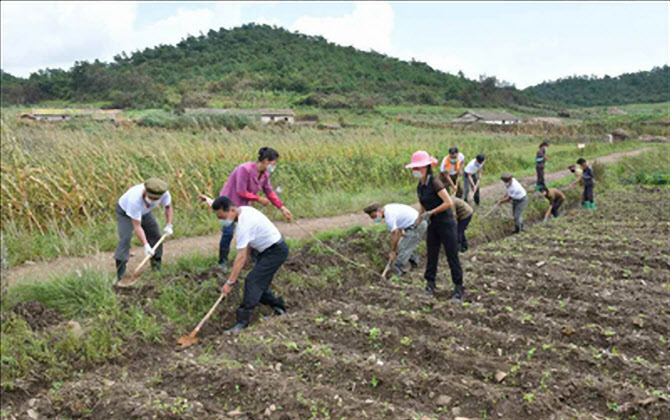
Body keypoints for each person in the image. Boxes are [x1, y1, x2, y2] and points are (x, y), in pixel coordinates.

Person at [199, 194, 288, 333]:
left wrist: (229, 283)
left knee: (252, 281)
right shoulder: (243, 210)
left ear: (231, 210)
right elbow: (246, 251)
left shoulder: (244, 225)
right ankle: (279, 307)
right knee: (260, 283)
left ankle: (242, 322)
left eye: (222, 217)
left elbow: (241, 256)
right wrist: (208, 200)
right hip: (264, 250)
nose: (221, 221)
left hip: (275, 252)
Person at [218, 147, 292, 271]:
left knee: (251, 231)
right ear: (266, 161)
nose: (274, 166)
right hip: (229, 203)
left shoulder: (265, 174)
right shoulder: (244, 169)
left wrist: (282, 208)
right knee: (228, 232)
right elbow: (241, 191)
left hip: (244, 206)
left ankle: (252, 258)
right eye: (274, 162)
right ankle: (222, 262)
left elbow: (269, 192)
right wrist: (258, 199)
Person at [406, 150, 464, 301]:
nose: (415, 171)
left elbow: (449, 202)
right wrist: (417, 221)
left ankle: (458, 287)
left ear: (425, 167)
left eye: (417, 168)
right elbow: (422, 206)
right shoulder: (421, 185)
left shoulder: (435, 182)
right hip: (432, 225)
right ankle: (430, 284)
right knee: (432, 255)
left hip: (446, 223)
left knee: (452, 255)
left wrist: (432, 212)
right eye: (414, 168)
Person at [114, 178, 173, 282]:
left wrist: (169, 224)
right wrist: (146, 245)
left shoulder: (164, 193)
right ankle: (120, 274)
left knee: (155, 235)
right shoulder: (134, 200)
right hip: (124, 212)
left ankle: (156, 268)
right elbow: (137, 226)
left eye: (156, 199)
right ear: (145, 191)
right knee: (125, 239)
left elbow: (168, 207)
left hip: (144, 212)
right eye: (151, 198)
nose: (153, 200)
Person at [363, 202, 426, 276]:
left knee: (402, 249)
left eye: (374, 216)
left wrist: (394, 251)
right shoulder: (387, 208)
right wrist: (401, 229)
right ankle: (414, 264)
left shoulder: (389, 217)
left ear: (379, 211)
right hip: (413, 224)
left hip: (417, 225)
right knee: (405, 246)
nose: (375, 219)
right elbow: (399, 219)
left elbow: (395, 233)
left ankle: (398, 274)